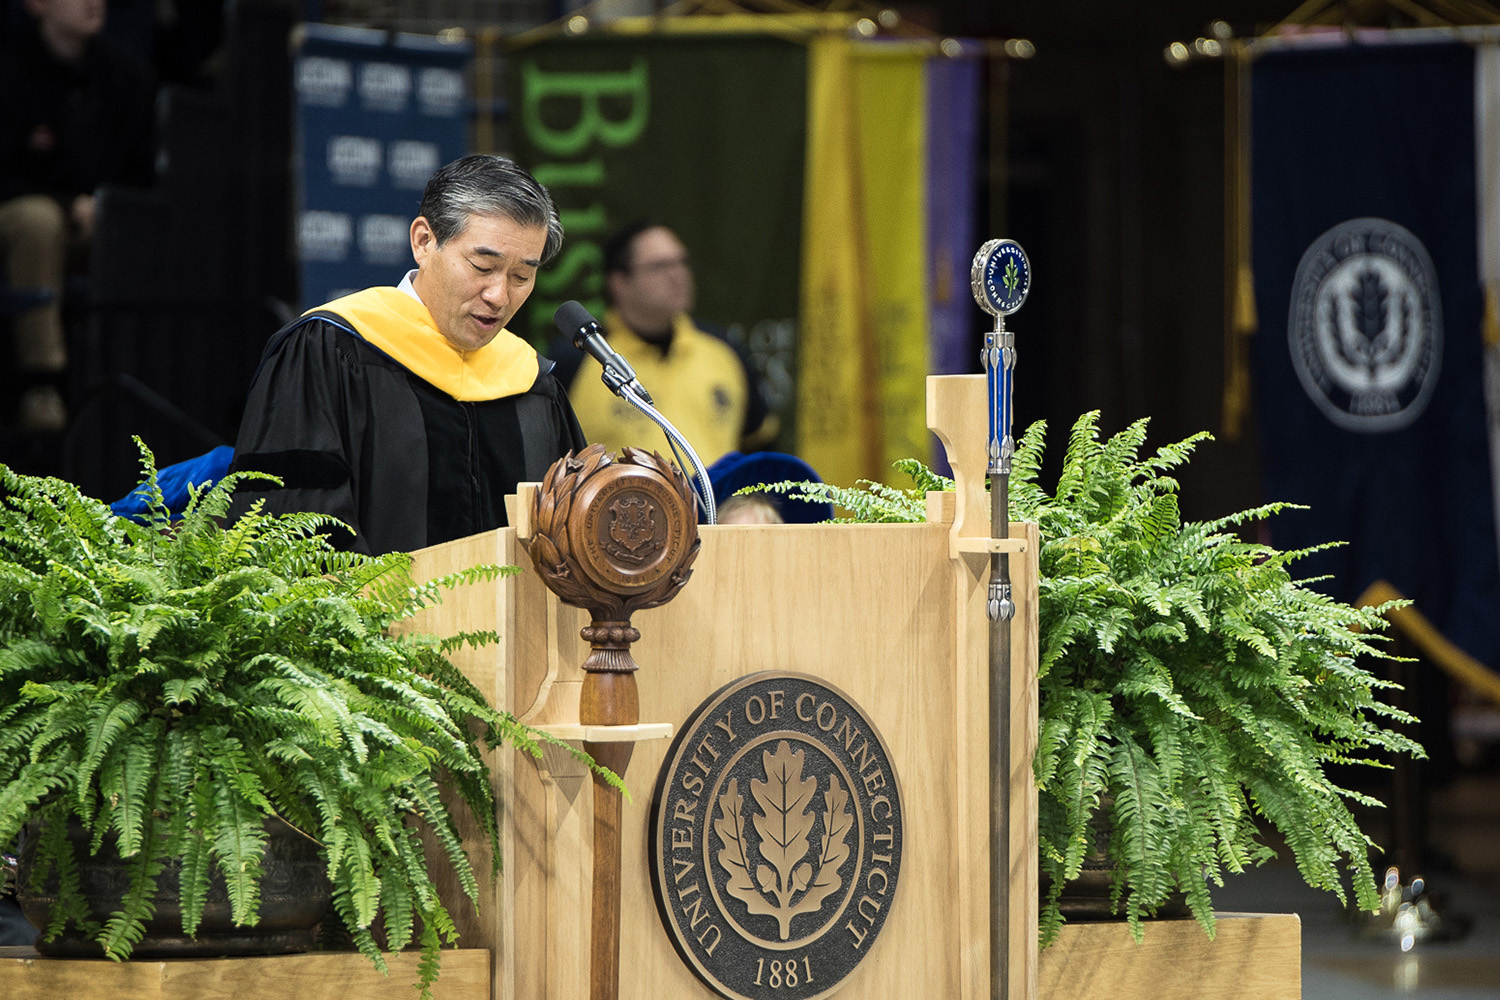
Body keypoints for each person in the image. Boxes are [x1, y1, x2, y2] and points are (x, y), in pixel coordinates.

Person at [229, 154, 584, 556]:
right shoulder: (332, 351)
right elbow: (292, 528)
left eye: (522, 276)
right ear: (423, 242)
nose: (499, 295)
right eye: (483, 266)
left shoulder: (531, 382)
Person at [0, 0, 157, 432]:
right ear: (36, 5)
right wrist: (69, 203)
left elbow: (145, 176)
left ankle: (136, 382)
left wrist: (106, 204)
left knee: (143, 227)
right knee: (38, 220)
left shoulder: (127, 77)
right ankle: (41, 384)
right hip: (24, 222)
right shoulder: (11, 71)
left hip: (101, 223)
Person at [552, 220, 777, 466]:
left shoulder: (724, 349)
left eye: (682, 262)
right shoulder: (578, 359)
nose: (678, 274)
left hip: (716, 503)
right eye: (660, 266)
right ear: (619, 283)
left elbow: (760, 446)